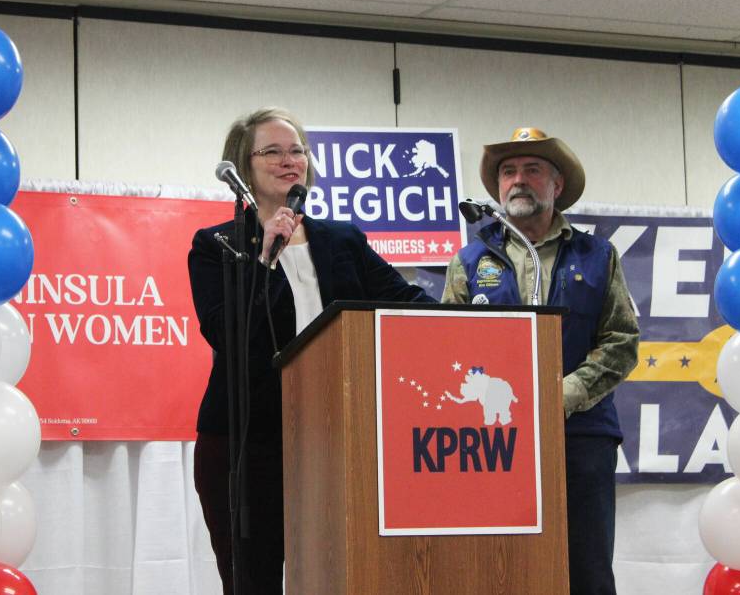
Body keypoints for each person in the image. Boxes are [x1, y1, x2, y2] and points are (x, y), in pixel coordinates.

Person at [188, 107, 432, 594]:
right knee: (251, 581)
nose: (289, 160)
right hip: (246, 443)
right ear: (243, 163)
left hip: (335, 437)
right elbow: (226, 333)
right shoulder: (218, 245)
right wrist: (264, 257)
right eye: (272, 151)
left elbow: (407, 302)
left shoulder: (342, 240)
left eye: (297, 149)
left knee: (339, 575)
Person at [441, 127, 639, 595]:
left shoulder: (597, 255)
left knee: (586, 570)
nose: (518, 181)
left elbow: (622, 341)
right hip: (492, 439)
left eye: (532, 170)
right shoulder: (469, 261)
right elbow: (447, 346)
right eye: (508, 172)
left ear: (557, 186)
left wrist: (564, 394)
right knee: (501, 567)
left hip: (581, 435)